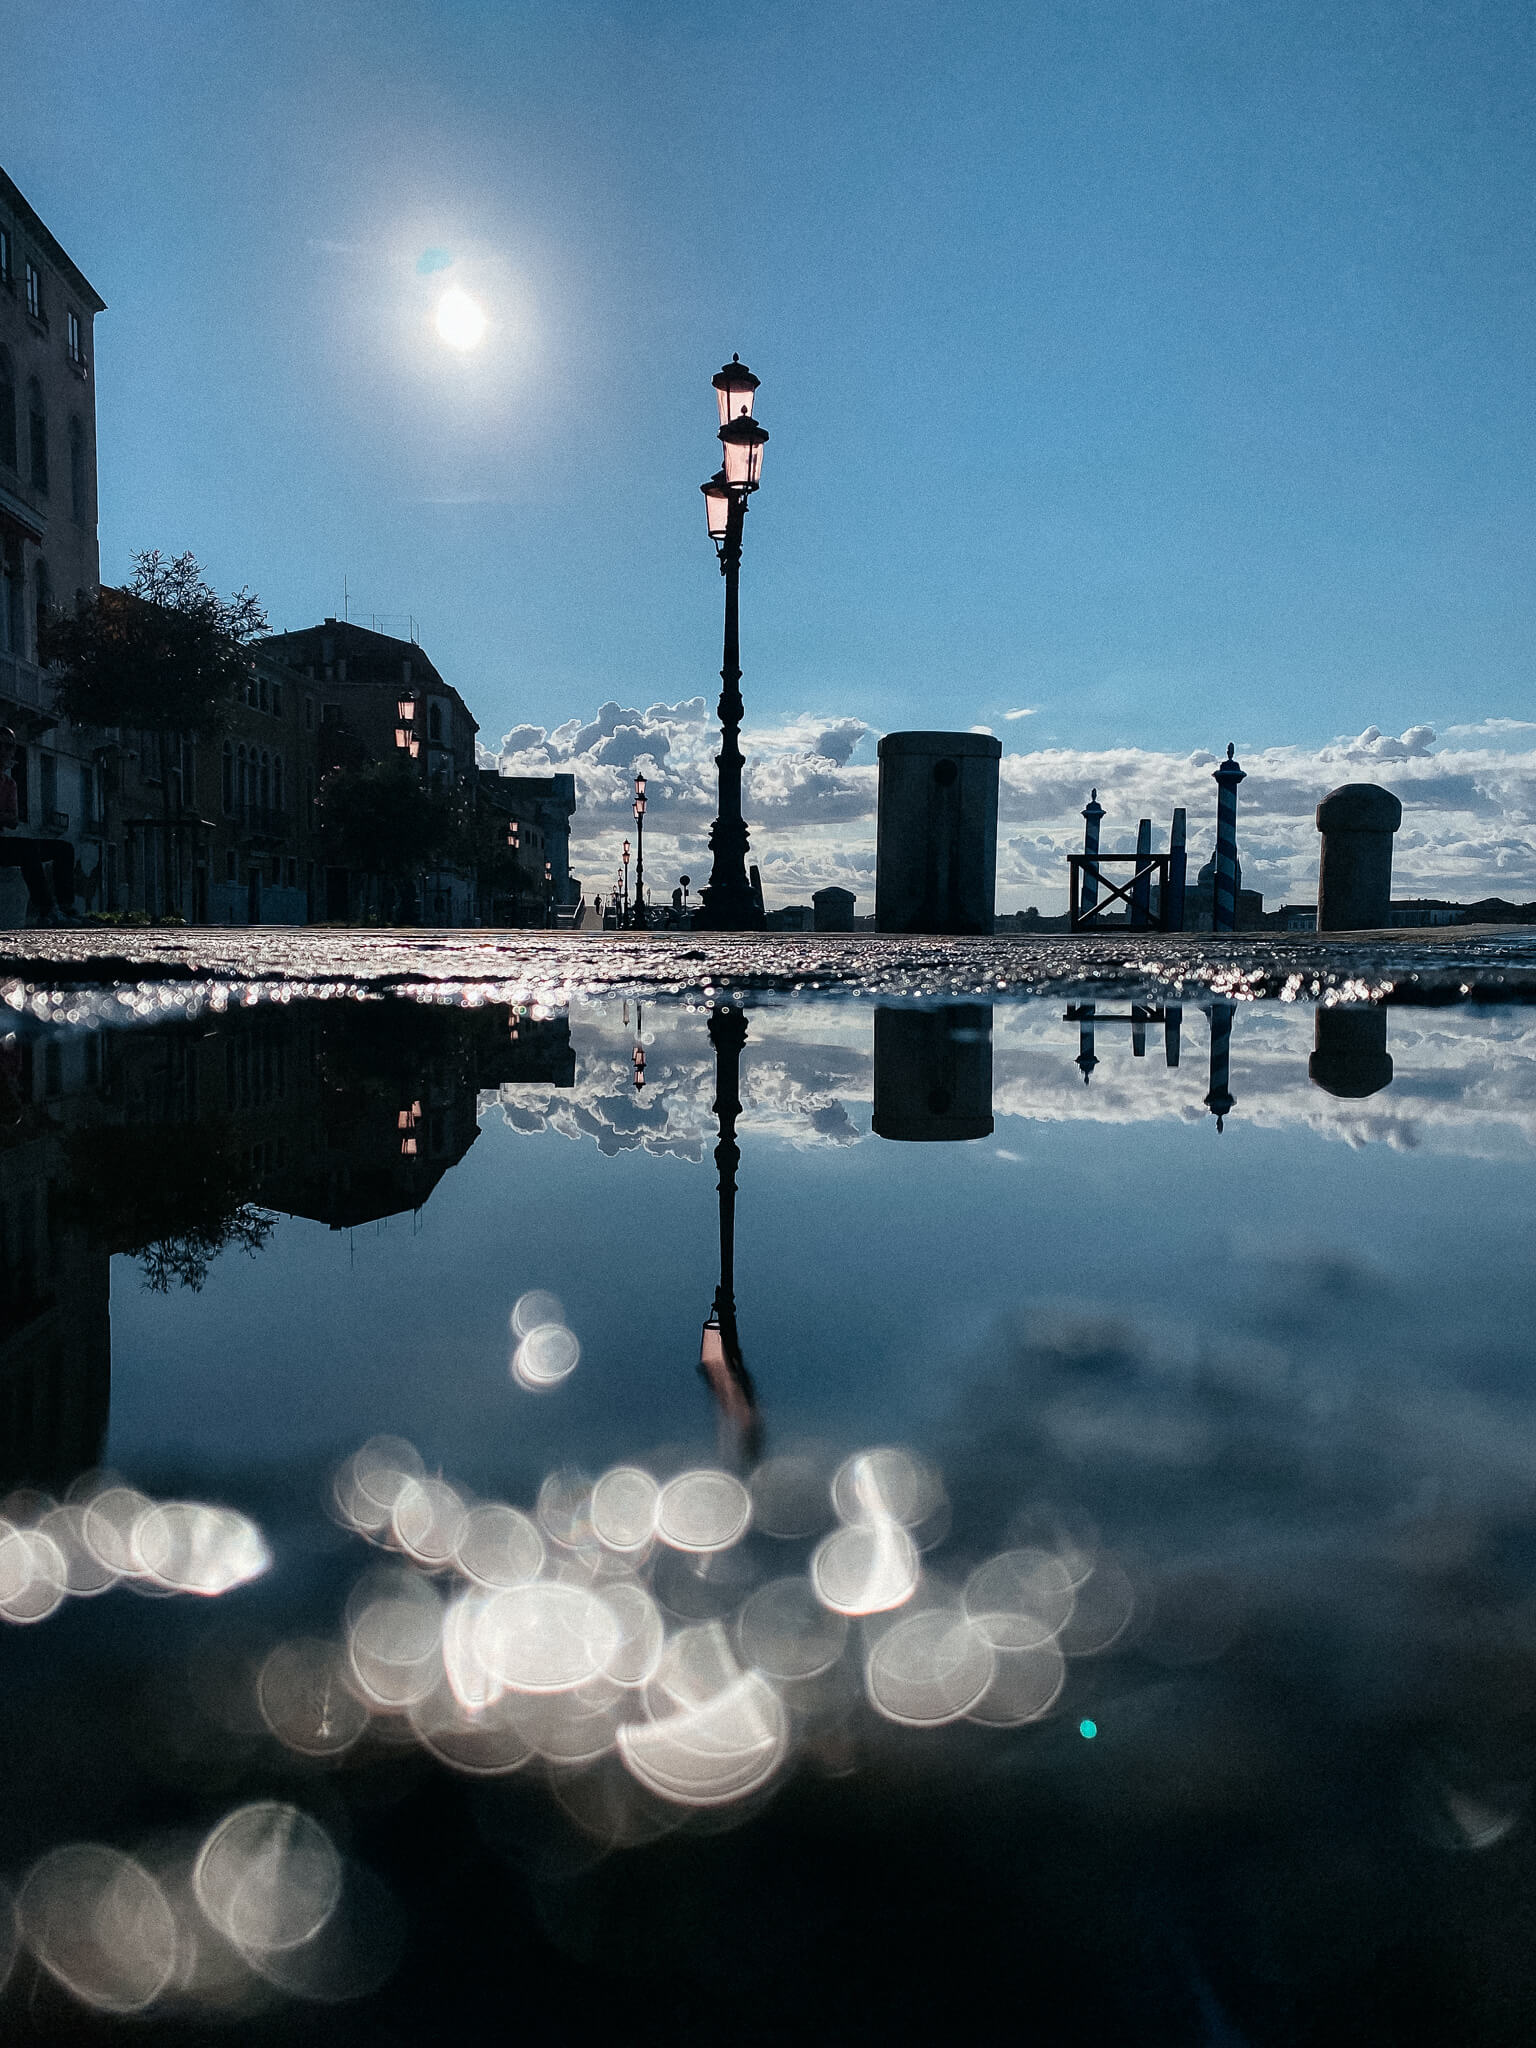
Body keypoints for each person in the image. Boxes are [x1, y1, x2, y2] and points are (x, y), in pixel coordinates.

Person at [0, 728, 75, 924]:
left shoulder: (9, 783)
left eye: (8, 746)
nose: (3, 750)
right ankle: (46, 909)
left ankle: (66, 907)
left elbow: (13, 820)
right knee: (27, 849)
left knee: (63, 849)